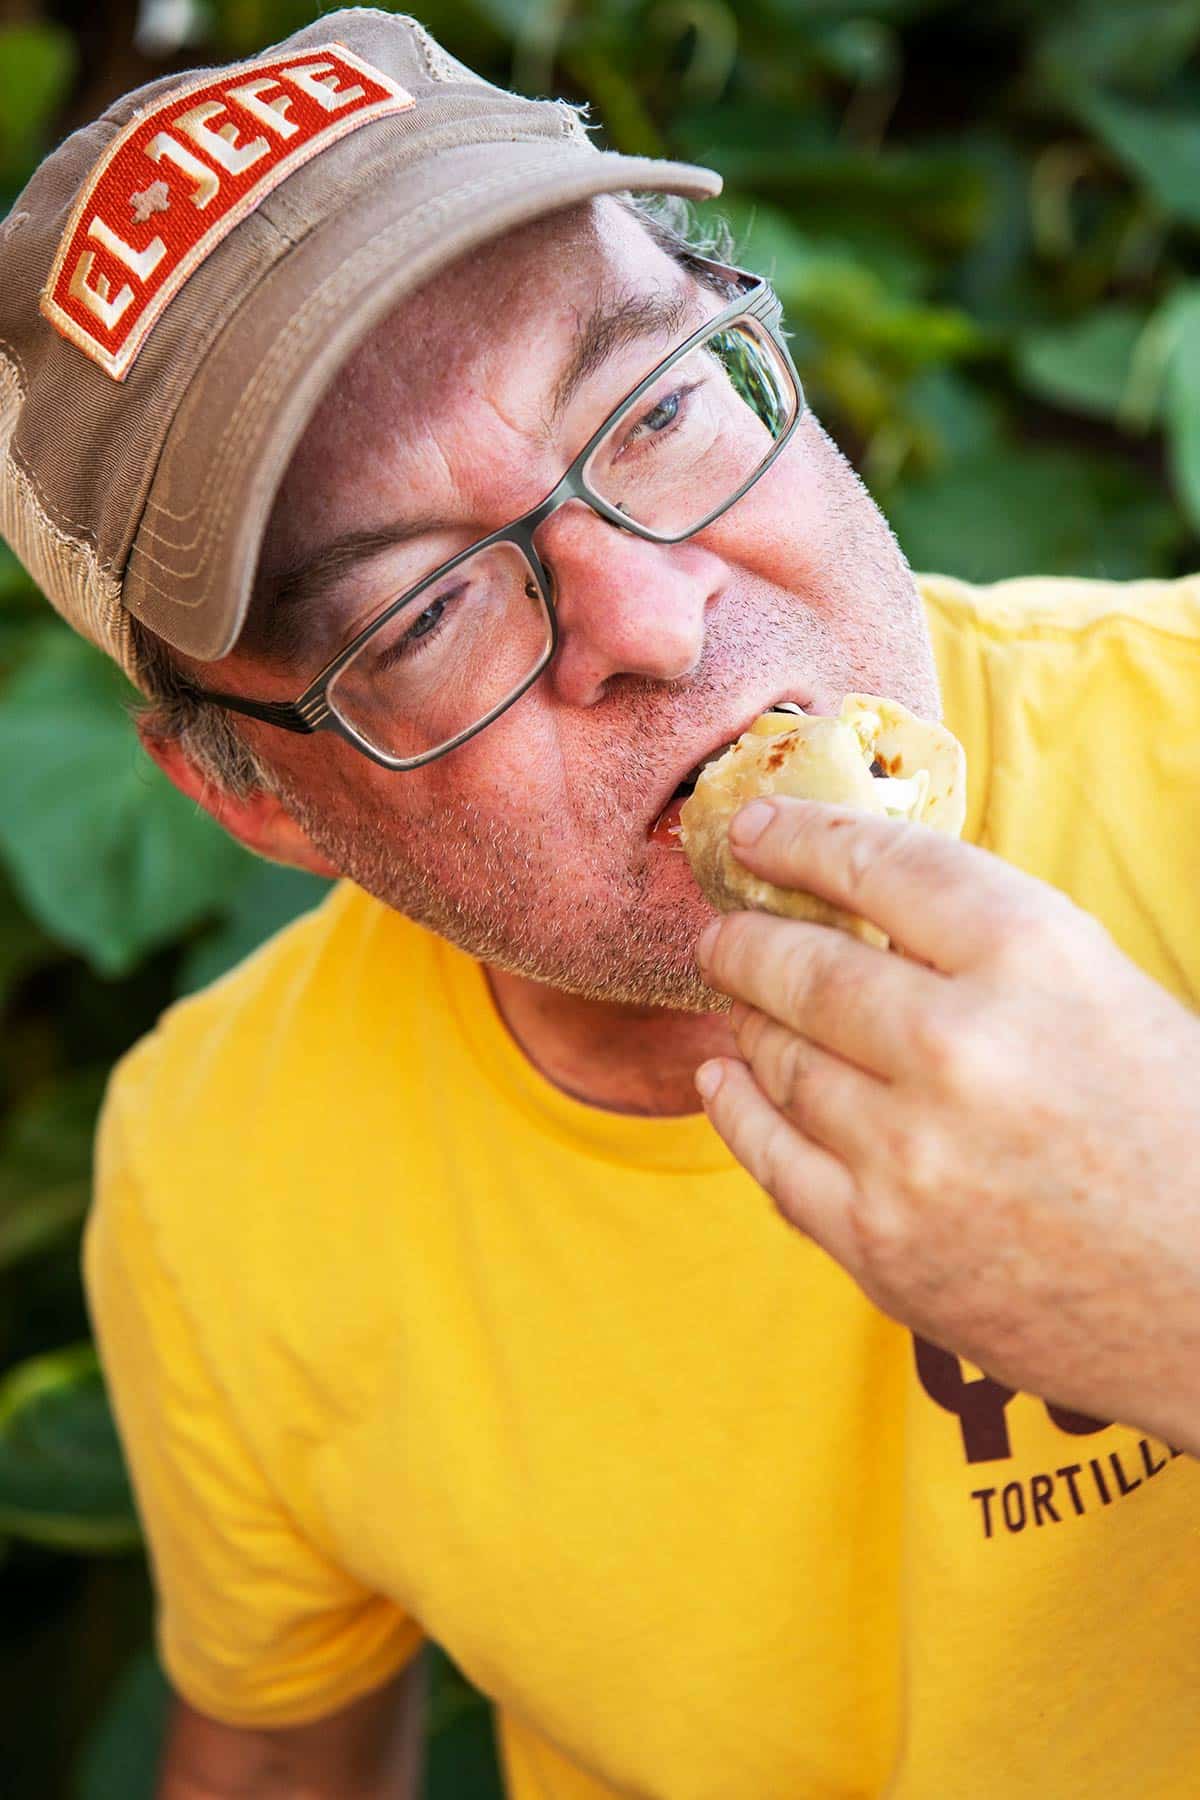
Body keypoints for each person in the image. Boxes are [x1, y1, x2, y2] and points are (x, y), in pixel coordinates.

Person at [2, 8, 1198, 1796]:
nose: (654, 618)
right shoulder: (222, 1171)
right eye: (419, 617)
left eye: (652, 410)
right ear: (252, 798)